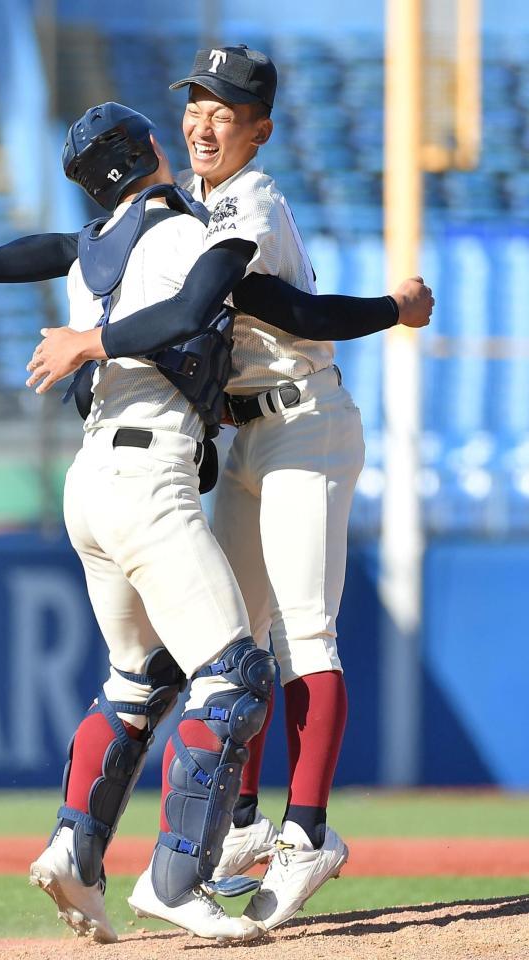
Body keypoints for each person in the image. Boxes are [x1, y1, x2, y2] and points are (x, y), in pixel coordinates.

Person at [24, 45, 433, 933]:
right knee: (232, 643)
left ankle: (308, 832)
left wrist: (392, 311)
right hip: (245, 437)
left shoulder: (250, 199)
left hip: (303, 424)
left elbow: (295, 315)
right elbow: (68, 245)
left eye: (226, 109)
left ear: (261, 129)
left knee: (302, 635)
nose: (204, 120)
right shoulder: (186, 205)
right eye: (197, 103)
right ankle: (239, 829)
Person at [25, 100, 277, 944]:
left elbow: (62, 253)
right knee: (234, 679)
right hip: (148, 477)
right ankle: (176, 880)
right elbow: (194, 311)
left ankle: (73, 848)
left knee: (140, 680)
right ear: (152, 149)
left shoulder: (89, 259)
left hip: (90, 482)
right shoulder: (186, 233)